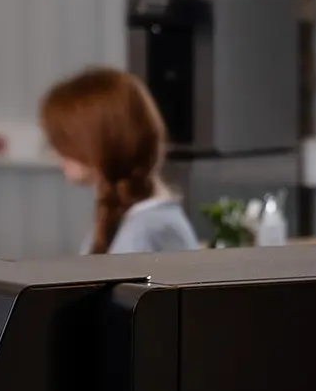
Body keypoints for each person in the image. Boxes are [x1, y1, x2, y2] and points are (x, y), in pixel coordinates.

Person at [40, 66, 199, 255]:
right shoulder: (126, 219)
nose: (54, 153)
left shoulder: (146, 232)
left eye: (63, 140)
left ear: (96, 141)